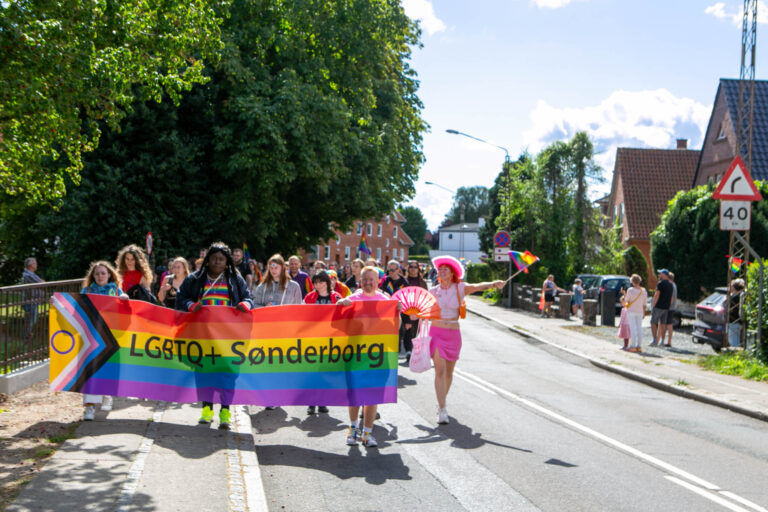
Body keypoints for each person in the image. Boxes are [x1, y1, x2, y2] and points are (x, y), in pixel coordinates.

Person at [175, 242, 253, 429]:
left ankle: (225, 411)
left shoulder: (235, 279)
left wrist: (245, 305)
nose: (217, 262)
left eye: (221, 259)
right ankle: (207, 409)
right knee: (203, 373)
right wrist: (190, 305)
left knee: (228, 374)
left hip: (228, 338)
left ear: (227, 262)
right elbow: (181, 296)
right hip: (203, 336)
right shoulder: (195, 279)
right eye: (214, 258)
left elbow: (248, 298)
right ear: (207, 260)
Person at [429, 256, 504, 425]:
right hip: (436, 332)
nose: (441, 272)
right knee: (439, 371)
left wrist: (493, 284)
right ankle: (442, 409)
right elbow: (420, 308)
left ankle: (442, 400)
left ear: (452, 273)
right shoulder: (433, 291)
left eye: (445, 269)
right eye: (439, 270)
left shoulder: (460, 288)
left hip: (453, 334)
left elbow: (478, 286)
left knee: (448, 373)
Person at [337, 266, 392, 448]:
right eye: (365, 279)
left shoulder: (386, 301)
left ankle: (367, 433)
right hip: (354, 354)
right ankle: (353, 429)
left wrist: (396, 311)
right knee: (354, 393)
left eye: (372, 279)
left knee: (373, 395)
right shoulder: (351, 300)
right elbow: (337, 325)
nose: (368, 283)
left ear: (378, 281)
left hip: (378, 356)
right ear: (360, 281)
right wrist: (340, 307)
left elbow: (394, 329)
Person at [80, 261, 128, 420]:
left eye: (103, 273)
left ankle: (107, 394)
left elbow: (126, 313)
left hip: (110, 337)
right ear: (93, 276)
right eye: (97, 273)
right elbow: (74, 308)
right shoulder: (86, 291)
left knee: (107, 369)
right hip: (91, 337)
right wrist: (57, 303)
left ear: (109, 275)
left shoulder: (116, 291)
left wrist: (125, 300)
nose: (100, 276)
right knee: (91, 372)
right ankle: (90, 408)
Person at [303, 270, 342, 415]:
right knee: (313, 372)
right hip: (313, 339)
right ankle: (311, 402)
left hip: (330, 340)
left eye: (321, 282)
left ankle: (323, 401)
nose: (318, 285)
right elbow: (302, 316)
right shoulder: (309, 297)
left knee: (325, 372)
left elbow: (343, 316)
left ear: (327, 282)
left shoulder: (336, 297)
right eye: (316, 282)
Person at [401, 261, 428, 363]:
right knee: (408, 330)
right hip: (406, 310)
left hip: (418, 310)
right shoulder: (404, 281)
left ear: (418, 269)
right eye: (411, 267)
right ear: (408, 269)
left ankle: (414, 350)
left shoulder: (422, 282)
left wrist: (425, 312)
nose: (413, 269)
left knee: (416, 331)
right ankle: (408, 351)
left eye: (415, 267)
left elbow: (426, 296)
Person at [622, 274, 647, 353]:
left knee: (632, 328)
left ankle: (633, 345)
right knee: (639, 328)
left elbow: (626, 300)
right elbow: (645, 303)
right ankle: (639, 346)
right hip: (640, 311)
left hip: (631, 311)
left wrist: (623, 294)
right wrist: (644, 312)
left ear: (632, 282)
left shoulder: (630, 290)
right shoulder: (643, 291)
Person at [21, 257, 44, 341]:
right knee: (30, 320)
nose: (36, 265)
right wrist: (41, 282)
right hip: (29, 301)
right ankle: (26, 338)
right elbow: (41, 283)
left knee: (31, 320)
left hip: (33, 300)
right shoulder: (27, 275)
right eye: (35, 263)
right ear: (30, 265)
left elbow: (42, 282)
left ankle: (27, 336)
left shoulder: (32, 274)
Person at [650, 269, 674, 347]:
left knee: (653, 322)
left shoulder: (660, 284)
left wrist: (653, 305)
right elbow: (671, 298)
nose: (659, 275)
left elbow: (656, 295)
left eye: (660, 274)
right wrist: (668, 305)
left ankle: (654, 340)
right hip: (666, 308)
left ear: (664, 274)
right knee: (663, 324)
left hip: (658, 306)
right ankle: (662, 341)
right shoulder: (671, 284)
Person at [727, 279, 746, 348]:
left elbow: (732, 309)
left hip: (734, 322)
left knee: (734, 342)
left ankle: (735, 355)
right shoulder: (741, 295)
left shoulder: (735, 297)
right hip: (737, 322)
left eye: (731, 285)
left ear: (734, 287)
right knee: (735, 340)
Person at [665, 272, 678, 347]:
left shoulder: (671, 286)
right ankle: (666, 340)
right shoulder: (674, 284)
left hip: (670, 307)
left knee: (669, 324)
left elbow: (671, 298)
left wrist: (667, 306)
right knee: (667, 323)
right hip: (672, 307)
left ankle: (669, 341)